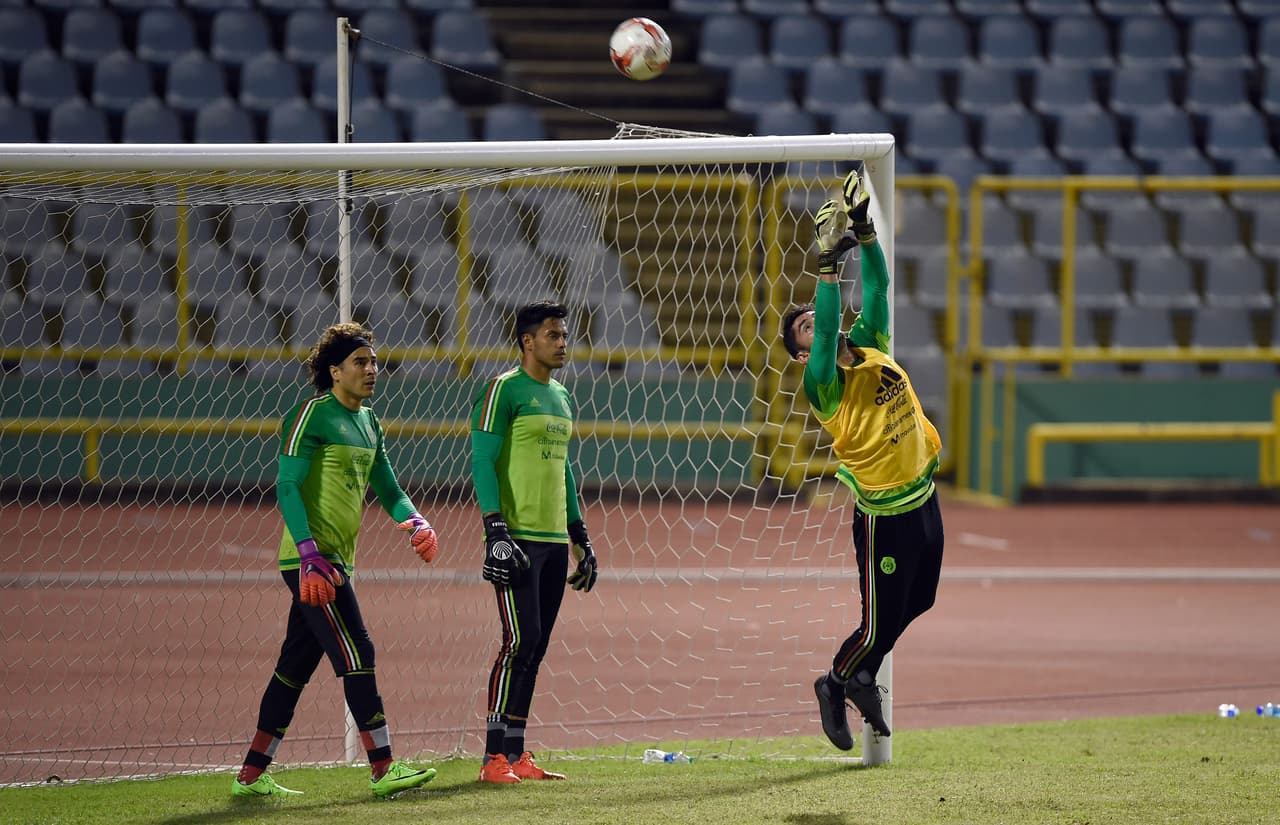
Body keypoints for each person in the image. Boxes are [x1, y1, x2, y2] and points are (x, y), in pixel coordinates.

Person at [232, 322, 441, 798]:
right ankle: (385, 769)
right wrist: (306, 553)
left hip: (335, 563)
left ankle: (251, 775)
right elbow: (286, 486)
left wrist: (416, 522)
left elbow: (388, 488)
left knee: (294, 666)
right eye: (360, 363)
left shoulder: (369, 422)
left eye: (373, 362)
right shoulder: (312, 415)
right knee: (358, 651)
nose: (372, 370)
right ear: (334, 371)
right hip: (311, 563)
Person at [779, 167, 945, 751]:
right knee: (877, 622)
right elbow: (825, 335)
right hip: (884, 515)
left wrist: (864, 233)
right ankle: (836, 679)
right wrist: (825, 268)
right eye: (802, 327)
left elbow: (876, 288)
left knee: (920, 599)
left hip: (925, 497)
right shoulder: (823, 383)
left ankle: (860, 673)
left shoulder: (871, 341)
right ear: (801, 355)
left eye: (812, 316)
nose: (815, 327)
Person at [469, 300, 599, 784]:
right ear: (527, 341)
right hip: (516, 537)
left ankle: (518, 753)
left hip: (552, 541)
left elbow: (562, 467)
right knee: (517, 643)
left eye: (564, 335)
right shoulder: (504, 390)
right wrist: (494, 528)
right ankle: (491, 758)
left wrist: (579, 533)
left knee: (536, 647)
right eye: (553, 335)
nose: (563, 342)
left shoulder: (561, 397)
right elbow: (483, 460)